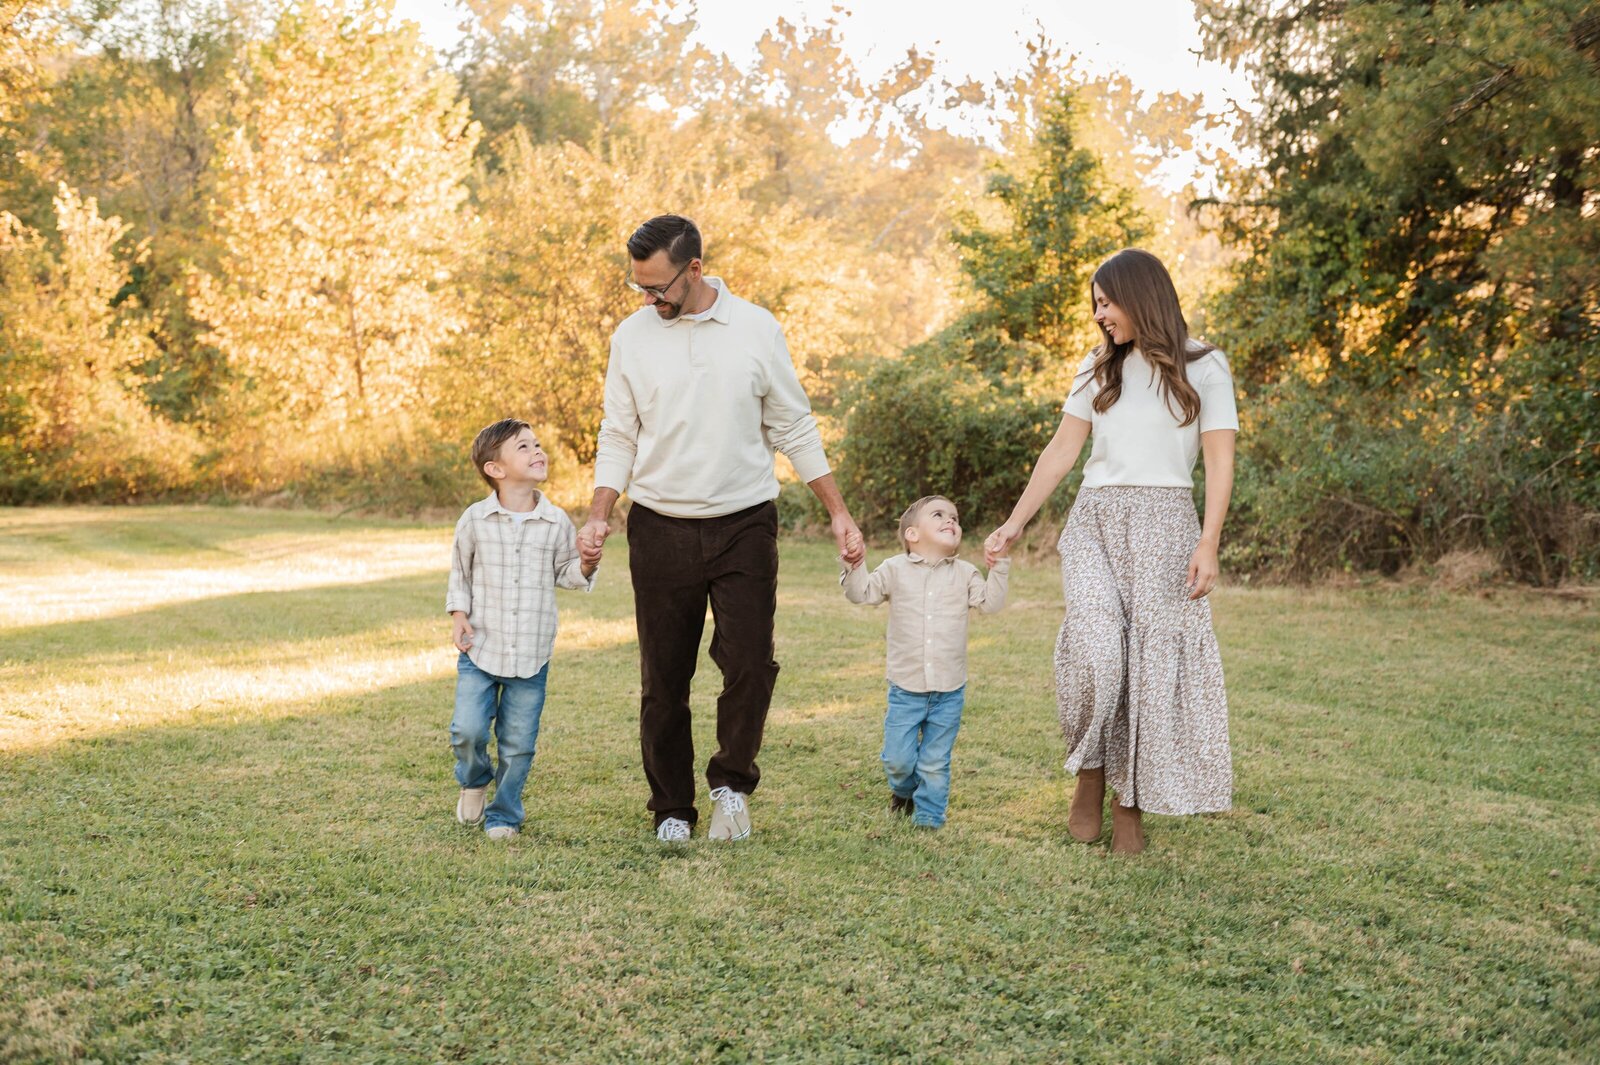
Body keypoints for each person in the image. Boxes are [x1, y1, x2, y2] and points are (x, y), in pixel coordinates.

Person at [577, 215, 865, 844]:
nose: (650, 301)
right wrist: (599, 513)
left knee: (750, 663)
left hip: (744, 524)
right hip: (659, 526)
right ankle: (672, 808)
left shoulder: (757, 329)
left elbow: (794, 426)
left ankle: (731, 785)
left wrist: (839, 511)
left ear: (696, 269)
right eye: (639, 289)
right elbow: (618, 433)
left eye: (658, 288)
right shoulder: (632, 337)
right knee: (663, 676)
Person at [984, 248, 1237, 855]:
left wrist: (1209, 541)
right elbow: (1062, 451)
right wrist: (1016, 523)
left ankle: (1130, 804)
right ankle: (1090, 773)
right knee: (1098, 654)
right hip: (1096, 521)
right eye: (1094, 304)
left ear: (1139, 296)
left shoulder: (1204, 366)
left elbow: (1222, 460)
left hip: (1167, 527)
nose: (1099, 315)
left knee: (1148, 672)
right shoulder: (1097, 367)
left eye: (1105, 302)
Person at [446, 418, 598, 840]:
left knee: (517, 745)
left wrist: (585, 563)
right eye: (524, 447)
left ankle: (505, 814)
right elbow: (460, 571)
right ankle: (474, 780)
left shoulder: (555, 522)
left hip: (531, 655)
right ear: (495, 469)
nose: (537, 452)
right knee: (468, 730)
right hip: (481, 647)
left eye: (537, 444)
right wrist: (459, 615)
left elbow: (567, 573)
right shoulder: (475, 520)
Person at [841, 495, 1008, 830]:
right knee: (898, 760)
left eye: (955, 517)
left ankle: (929, 819)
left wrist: (999, 566)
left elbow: (990, 604)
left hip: (949, 690)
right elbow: (862, 594)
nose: (951, 521)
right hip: (905, 688)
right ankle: (903, 790)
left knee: (934, 761)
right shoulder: (894, 569)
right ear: (912, 535)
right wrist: (855, 564)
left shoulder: (965, 573)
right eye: (939, 515)